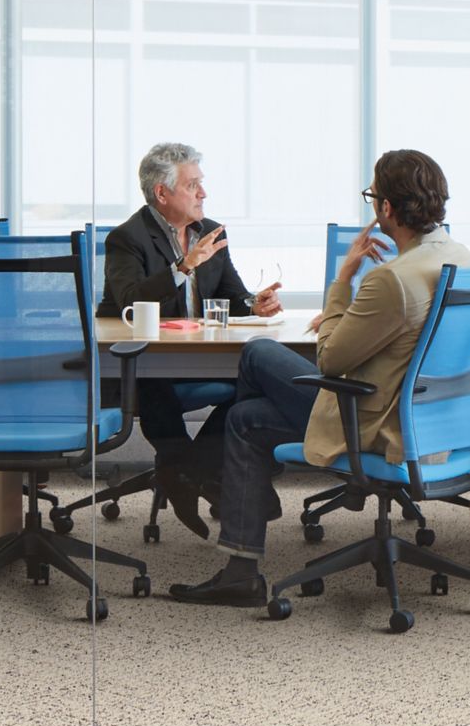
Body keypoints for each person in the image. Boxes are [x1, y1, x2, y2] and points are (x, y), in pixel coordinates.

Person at [171, 147, 454, 610]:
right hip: (428, 419)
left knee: (258, 355)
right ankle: (238, 519)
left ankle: (230, 515)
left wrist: (344, 280)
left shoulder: (393, 280)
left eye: (372, 198)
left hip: (373, 423)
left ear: (385, 208)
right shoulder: (457, 258)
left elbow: (330, 360)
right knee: (246, 416)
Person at [102, 141, 281, 533]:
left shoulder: (212, 232)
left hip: (200, 358)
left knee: (255, 381)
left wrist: (255, 305)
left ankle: (187, 471)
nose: (203, 193)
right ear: (162, 193)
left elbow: (233, 297)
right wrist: (183, 266)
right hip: (145, 365)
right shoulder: (126, 238)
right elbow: (129, 300)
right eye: (193, 185)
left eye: (202, 183)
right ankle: (195, 472)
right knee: (153, 380)